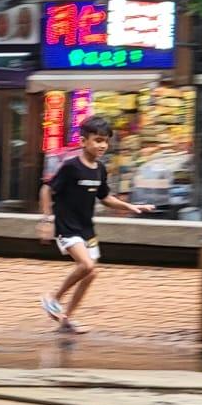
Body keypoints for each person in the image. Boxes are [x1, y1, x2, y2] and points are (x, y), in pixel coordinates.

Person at [39, 115, 157, 334]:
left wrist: (132, 207)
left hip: (86, 228)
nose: (102, 145)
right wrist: (46, 220)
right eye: (97, 140)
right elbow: (46, 189)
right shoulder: (70, 167)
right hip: (67, 226)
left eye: (105, 141)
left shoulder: (100, 169)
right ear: (84, 142)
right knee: (87, 265)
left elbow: (105, 197)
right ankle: (52, 297)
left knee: (91, 273)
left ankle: (66, 320)